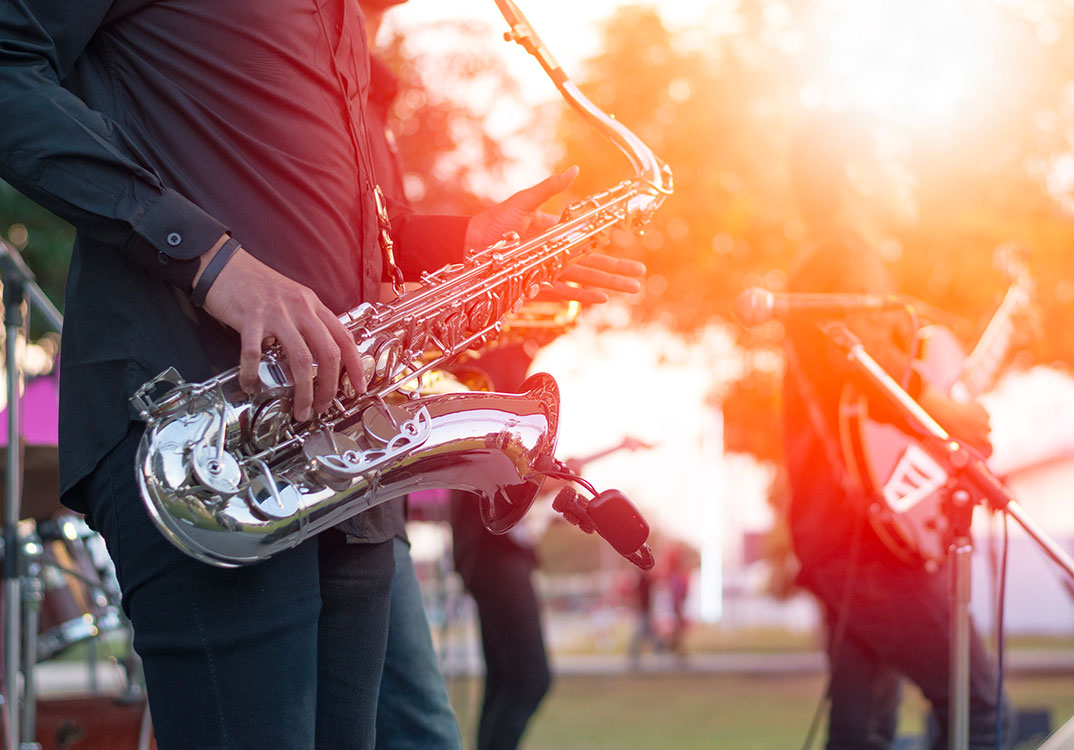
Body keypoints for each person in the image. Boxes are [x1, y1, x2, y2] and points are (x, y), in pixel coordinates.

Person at [0, 2, 640, 747]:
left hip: (345, 451)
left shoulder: (343, 23)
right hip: (210, 436)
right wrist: (210, 260)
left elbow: (349, 226)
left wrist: (466, 239)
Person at [779, 111, 1009, 750]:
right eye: (896, 160)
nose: (908, 176)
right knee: (979, 706)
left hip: (847, 531)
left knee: (864, 731)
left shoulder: (838, 262)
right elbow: (865, 371)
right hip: (872, 538)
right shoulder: (843, 259)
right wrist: (947, 413)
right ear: (858, 176)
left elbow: (860, 387)